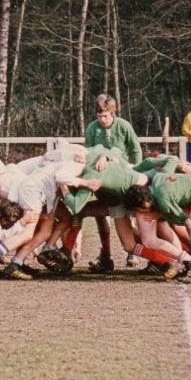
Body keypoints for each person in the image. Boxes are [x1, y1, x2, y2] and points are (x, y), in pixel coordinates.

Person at [83, 94, 142, 272]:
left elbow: (135, 148)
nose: (102, 119)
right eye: (99, 116)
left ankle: (133, 252)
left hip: (122, 178)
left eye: (105, 116)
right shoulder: (93, 128)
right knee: (101, 215)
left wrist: (136, 171)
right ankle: (106, 255)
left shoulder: (123, 125)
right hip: (101, 178)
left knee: (128, 214)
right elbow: (89, 151)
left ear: (113, 113)